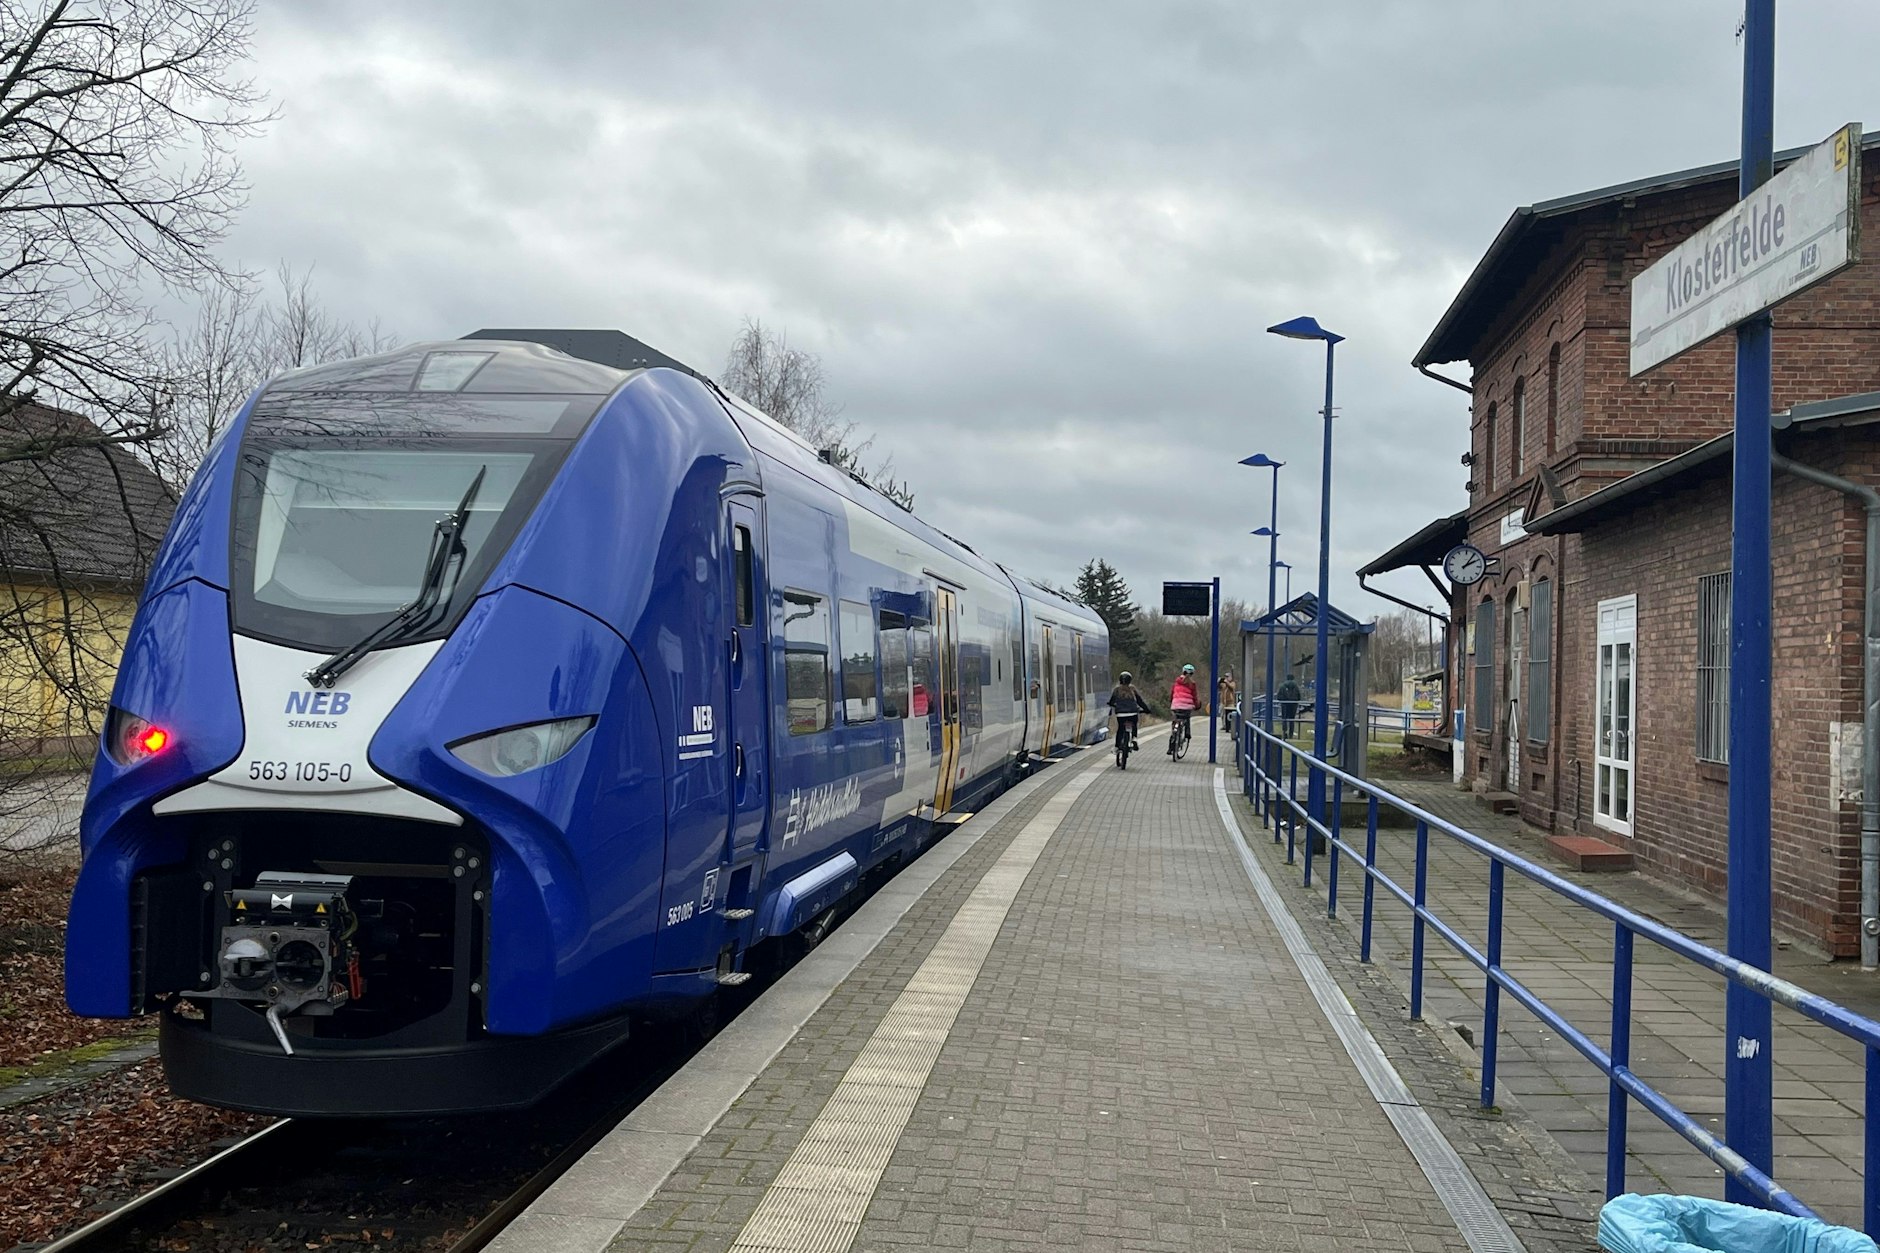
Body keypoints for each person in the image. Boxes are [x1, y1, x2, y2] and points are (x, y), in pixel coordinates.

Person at [1107, 671, 1152, 750]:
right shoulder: (1132, 689)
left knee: (1120, 729)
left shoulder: (1116, 690)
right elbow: (1140, 701)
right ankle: (1134, 738)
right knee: (1134, 725)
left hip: (1120, 714)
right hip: (1133, 712)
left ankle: (1117, 747)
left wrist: (1113, 705)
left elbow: (1111, 701)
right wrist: (1147, 710)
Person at [1169, 664, 1200, 754]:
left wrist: (1172, 701)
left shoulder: (1177, 682)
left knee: (1175, 722)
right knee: (1187, 719)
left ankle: (1171, 746)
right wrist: (1197, 705)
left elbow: (1172, 694)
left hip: (1176, 706)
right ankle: (1187, 733)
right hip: (1187, 707)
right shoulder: (1192, 684)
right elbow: (1194, 697)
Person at [1276, 674, 1303, 740]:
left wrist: (1284, 700)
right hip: (1293, 705)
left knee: (1284, 719)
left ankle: (1284, 733)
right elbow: (1299, 696)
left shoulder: (1282, 686)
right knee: (1292, 719)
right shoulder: (1296, 686)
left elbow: (1278, 696)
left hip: (1284, 704)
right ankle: (1291, 734)